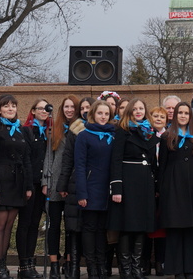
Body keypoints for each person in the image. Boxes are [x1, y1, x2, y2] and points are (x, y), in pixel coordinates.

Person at [0, 94, 34, 279]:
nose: (10, 108)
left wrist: (28, 186)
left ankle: (3, 265)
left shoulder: (20, 129)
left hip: (17, 183)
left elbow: (26, 158)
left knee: (8, 227)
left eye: (13, 105)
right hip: (0, 181)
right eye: (6, 106)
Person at [110, 99, 160, 279]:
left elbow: (154, 161)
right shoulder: (122, 131)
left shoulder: (149, 131)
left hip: (145, 182)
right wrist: (116, 187)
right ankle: (125, 268)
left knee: (141, 225)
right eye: (135, 109)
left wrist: (156, 185)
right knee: (126, 225)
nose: (138, 111)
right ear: (129, 111)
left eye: (141, 108)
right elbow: (115, 159)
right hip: (127, 182)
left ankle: (137, 267)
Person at [159, 102, 193, 279]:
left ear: (190, 116)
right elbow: (162, 166)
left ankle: (189, 269)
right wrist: (161, 190)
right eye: (180, 112)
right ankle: (177, 270)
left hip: (192, 187)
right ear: (175, 115)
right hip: (172, 188)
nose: (182, 116)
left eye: (186, 113)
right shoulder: (167, 137)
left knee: (189, 230)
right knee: (175, 230)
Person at [75, 99, 116, 279]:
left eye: (106, 114)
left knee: (102, 229)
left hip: (107, 189)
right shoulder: (84, 135)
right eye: (100, 113)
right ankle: (91, 267)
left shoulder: (113, 135)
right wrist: (82, 193)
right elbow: (80, 165)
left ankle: (102, 265)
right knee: (90, 228)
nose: (103, 117)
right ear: (93, 114)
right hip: (90, 189)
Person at [44, 95, 81, 279]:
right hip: (55, 182)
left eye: (72, 107)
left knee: (71, 226)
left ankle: (69, 261)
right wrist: (45, 181)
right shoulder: (54, 128)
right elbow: (48, 157)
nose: (69, 110)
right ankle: (54, 263)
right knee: (54, 225)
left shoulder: (81, 129)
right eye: (66, 107)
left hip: (73, 183)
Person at [17, 98, 51, 278]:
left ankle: (30, 261)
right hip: (30, 183)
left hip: (42, 184)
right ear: (33, 110)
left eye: (46, 108)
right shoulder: (27, 130)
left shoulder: (50, 131)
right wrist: (28, 185)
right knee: (25, 223)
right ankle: (23, 264)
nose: (44, 111)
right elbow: (26, 159)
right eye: (40, 108)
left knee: (35, 224)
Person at [56, 100, 88, 279]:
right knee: (73, 227)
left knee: (90, 228)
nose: (85, 111)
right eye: (82, 109)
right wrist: (63, 184)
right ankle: (73, 266)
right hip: (75, 182)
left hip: (94, 183)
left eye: (88, 108)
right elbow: (67, 160)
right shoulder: (75, 131)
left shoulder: (106, 129)